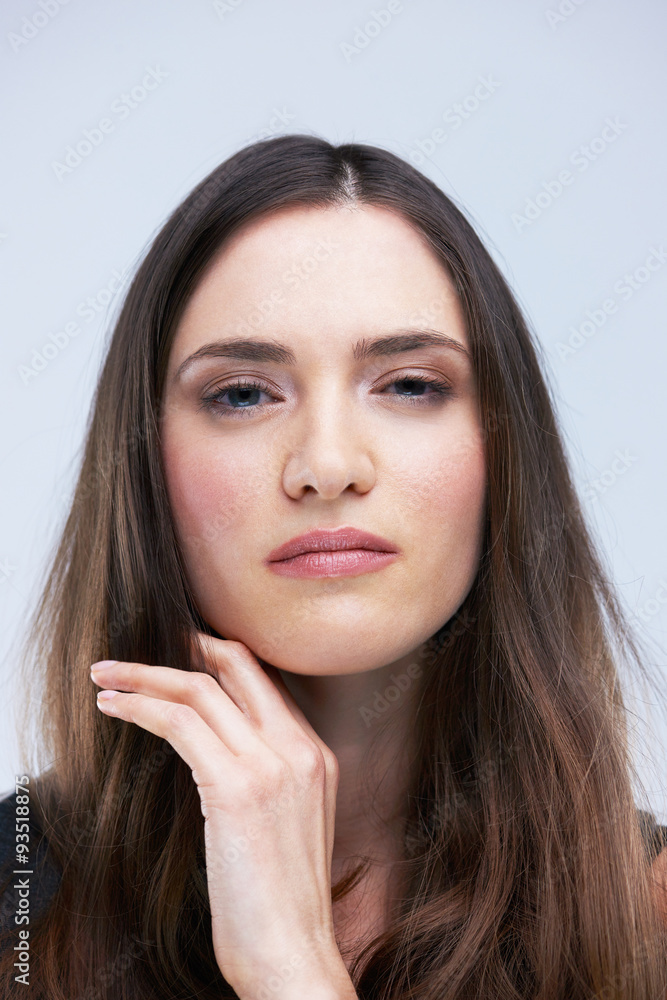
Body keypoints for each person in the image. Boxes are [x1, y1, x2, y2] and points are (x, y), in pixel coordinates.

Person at [0, 134, 666, 999]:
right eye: (243, 393)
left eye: (409, 385)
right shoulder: (18, 904)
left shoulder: (649, 912)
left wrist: (291, 971)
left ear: (504, 448)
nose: (325, 465)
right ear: (145, 465)